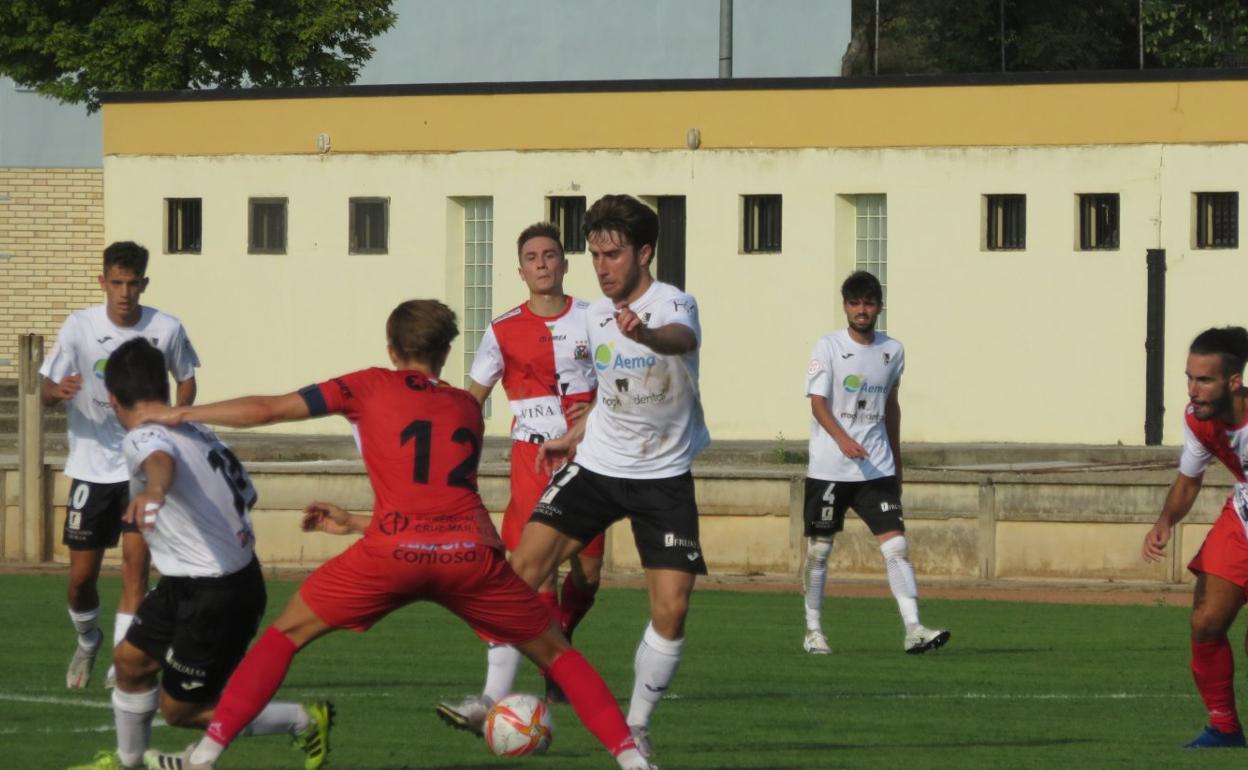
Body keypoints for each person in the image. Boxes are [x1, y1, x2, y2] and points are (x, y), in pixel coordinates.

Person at [138, 299, 654, 770]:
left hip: (392, 553)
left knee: (284, 635)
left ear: (390, 348)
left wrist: (181, 411)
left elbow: (267, 409)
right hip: (467, 556)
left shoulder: (365, 386)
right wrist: (358, 523)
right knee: (557, 652)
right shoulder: (467, 408)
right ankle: (633, 761)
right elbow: (437, 495)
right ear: (446, 352)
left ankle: (204, 757)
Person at [476, 194, 710, 763]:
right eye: (595, 255)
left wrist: (648, 337)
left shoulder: (673, 303)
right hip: (598, 467)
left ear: (644, 253)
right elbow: (609, 394)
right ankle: (490, 700)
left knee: (672, 608)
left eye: (614, 255)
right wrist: (571, 436)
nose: (602, 267)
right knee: (519, 572)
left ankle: (636, 726)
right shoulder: (592, 315)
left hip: (663, 475)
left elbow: (682, 339)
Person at [68, 339, 330, 770]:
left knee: (181, 710)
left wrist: (155, 491)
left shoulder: (143, 436)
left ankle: (301, 720)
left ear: (112, 398)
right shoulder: (194, 428)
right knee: (130, 663)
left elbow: (158, 461)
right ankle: (127, 762)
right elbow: (247, 493)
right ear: (165, 388)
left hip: (217, 593)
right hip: (191, 580)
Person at [438, 223, 603, 725]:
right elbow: (472, 400)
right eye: (531, 257)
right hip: (531, 457)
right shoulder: (502, 329)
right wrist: (452, 459)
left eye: (550, 255)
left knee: (590, 573)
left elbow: (623, 380)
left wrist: (593, 414)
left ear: (563, 263)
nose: (541, 264)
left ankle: (562, 633)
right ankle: (552, 670)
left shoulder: (595, 319)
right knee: (537, 569)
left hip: (589, 459)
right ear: (520, 270)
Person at [40, 241, 200, 690]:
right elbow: (46, 388)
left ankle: (122, 664)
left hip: (141, 467)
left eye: (132, 284)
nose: (124, 292)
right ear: (103, 282)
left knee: (136, 570)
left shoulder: (166, 328)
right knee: (80, 580)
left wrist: (174, 417)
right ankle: (88, 639)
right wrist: (60, 390)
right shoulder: (79, 326)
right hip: (91, 468)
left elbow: (186, 381)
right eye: (116, 283)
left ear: (144, 284)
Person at [800, 271, 949, 656]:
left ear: (879, 306)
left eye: (868, 302)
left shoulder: (893, 351)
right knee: (819, 551)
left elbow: (891, 406)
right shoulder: (828, 346)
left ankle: (914, 628)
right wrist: (843, 440)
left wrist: (897, 462)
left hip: (876, 469)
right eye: (854, 303)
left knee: (896, 546)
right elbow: (817, 403)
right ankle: (813, 630)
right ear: (845, 306)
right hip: (830, 468)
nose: (861, 310)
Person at [1142, 326, 1248, 749]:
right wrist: (1165, 521)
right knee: (1205, 623)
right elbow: (1188, 481)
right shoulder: (1198, 421)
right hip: (1242, 521)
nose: (1193, 390)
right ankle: (1223, 728)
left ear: (1233, 382)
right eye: (1189, 378)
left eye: (1204, 380)